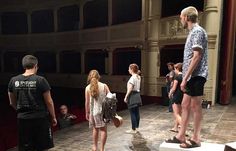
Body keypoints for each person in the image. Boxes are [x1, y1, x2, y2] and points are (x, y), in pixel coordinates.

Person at [166, 6, 208, 148]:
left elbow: (196, 57)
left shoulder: (197, 31)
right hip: (191, 77)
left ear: (187, 18)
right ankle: (181, 135)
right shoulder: (193, 32)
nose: (180, 20)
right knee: (184, 105)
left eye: (181, 18)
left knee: (195, 106)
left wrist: (184, 78)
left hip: (196, 76)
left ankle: (196, 139)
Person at [8, 55, 57, 151]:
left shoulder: (13, 80)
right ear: (36, 66)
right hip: (40, 118)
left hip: (23, 119)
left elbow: (11, 102)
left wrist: (20, 111)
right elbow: (49, 101)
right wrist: (53, 116)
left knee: (26, 148)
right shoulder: (41, 80)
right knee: (42, 147)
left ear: (23, 66)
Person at [85, 70, 110, 151]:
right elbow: (111, 98)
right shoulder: (104, 86)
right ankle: (102, 149)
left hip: (93, 112)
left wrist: (87, 112)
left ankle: (95, 147)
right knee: (103, 129)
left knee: (95, 129)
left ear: (89, 77)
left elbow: (87, 102)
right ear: (98, 76)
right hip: (103, 111)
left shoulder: (88, 88)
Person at [124, 63, 142, 134]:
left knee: (132, 113)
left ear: (131, 69)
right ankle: (136, 127)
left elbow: (130, 88)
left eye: (129, 69)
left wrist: (126, 96)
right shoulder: (138, 77)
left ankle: (133, 129)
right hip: (137, 95)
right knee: (137, 112)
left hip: (133, 95)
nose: (128, 70)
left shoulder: (132, 78)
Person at [168, 63, 183, 133]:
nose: (174, 70)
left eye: (175, 69)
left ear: (177, 68)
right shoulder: (184, 76)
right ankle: (175, 127)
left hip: (176, 95)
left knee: (176, 114)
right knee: (179, 113)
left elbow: (174, 88)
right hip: (182, 96)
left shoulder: (177, 77)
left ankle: (183, 129)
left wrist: (170, 93)